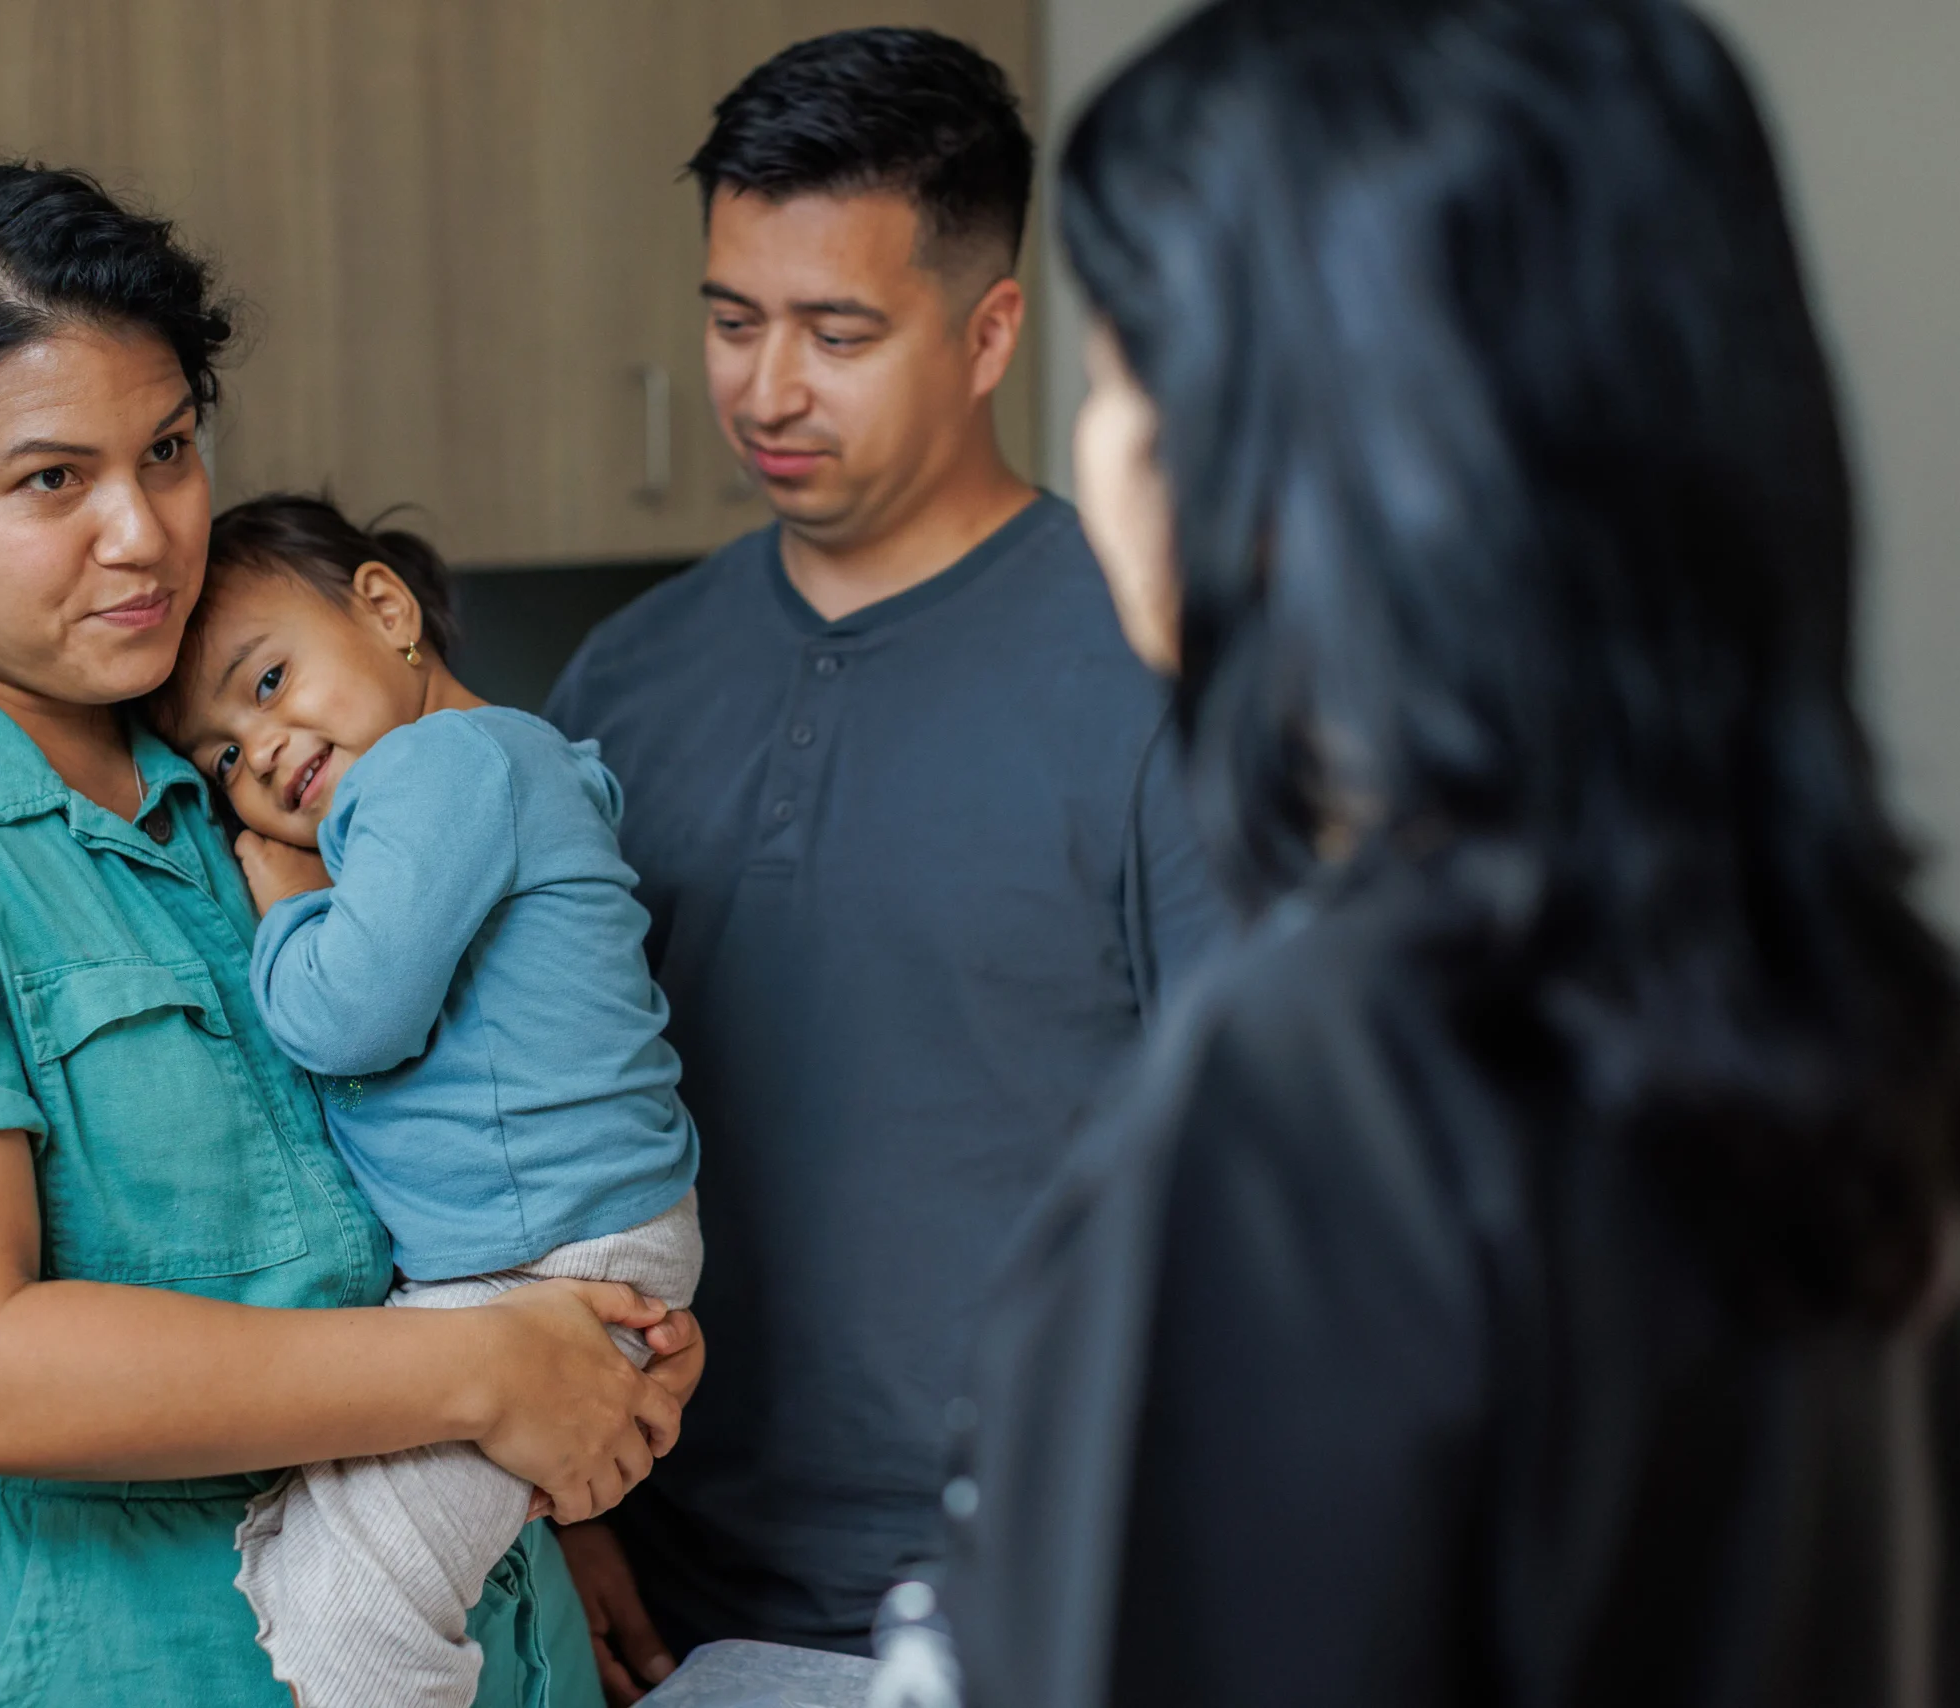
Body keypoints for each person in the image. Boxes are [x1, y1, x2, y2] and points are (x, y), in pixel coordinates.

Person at [943, 2, 1960, 1704]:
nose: (1099, 434)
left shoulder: (1319, 1094)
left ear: (1284, 462)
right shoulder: (1843, 1033)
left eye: (1121, 357)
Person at [0, 164, 700, 1708]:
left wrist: (546, 1470)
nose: (142, 533)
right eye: (50, 480)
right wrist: (495, 1378)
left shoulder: (252, 761)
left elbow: (471, 1157)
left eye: (169, 450)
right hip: (147, 1658)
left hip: (482, 1611)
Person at [541, 27, 1222, 1688]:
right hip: (665, 1593)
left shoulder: (1157, 680)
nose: (766, 388)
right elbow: (517, 1139)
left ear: (992, 331)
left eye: (836, 331)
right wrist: (567, 1511)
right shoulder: (620, 682)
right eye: (730, 318)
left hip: (1035, 1603)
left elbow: (1259, 1201)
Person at [148, 493, 704, 1708]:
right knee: (336, 1567)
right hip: (563, 1248)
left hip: (548, 1261)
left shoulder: (440, 767)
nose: (266, 747)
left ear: (386, 609)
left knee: (352, 1618)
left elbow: (347, 1016)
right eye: (223, 757)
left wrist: (285, 896)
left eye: (271, 677)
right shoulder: (502, 760)